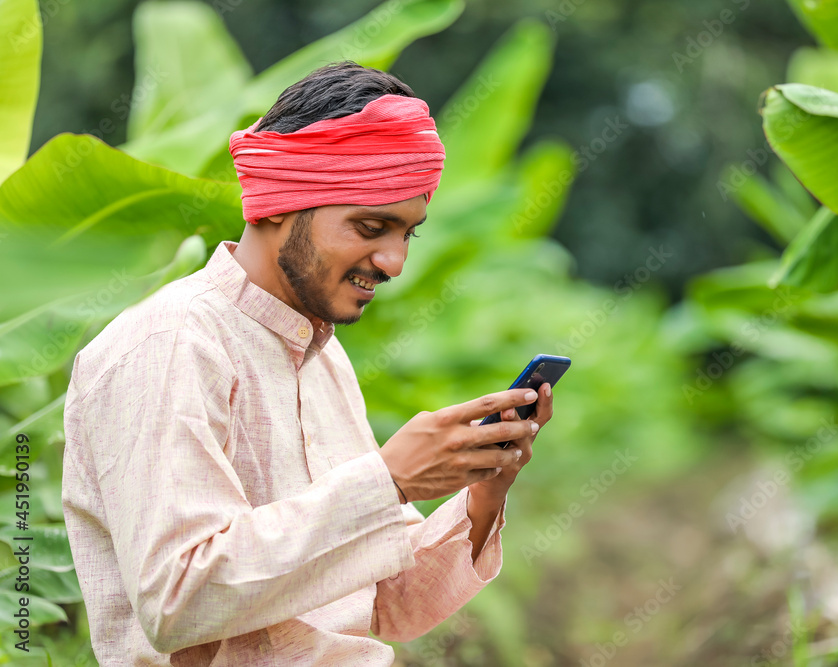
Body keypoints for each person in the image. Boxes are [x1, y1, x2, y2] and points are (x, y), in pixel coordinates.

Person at [61, 61, 555, 665]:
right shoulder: (168, 346)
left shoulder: (321, 356)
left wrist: (481, 493)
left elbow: (387, 604)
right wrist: (388, 480)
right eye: (372, 227)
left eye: (409, 234)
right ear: (276, 204)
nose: (395, 261)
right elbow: (176, 599)